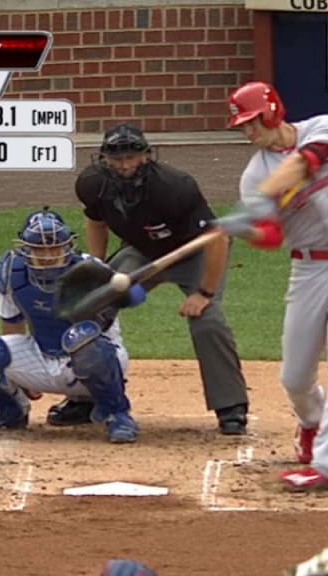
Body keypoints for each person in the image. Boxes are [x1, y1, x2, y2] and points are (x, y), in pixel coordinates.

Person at [214, 81, 328, 490]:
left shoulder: (322, 127)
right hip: (309, 271)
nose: (248, 133)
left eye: (252, 122)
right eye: (243, 126)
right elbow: (272, 239)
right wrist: (248, 227)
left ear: (272, 111)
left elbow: (305, 163)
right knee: (294, 377)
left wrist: (259, 199)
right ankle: (312, 422)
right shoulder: (254, 175)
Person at [59, 123, 251, 436]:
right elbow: (96, 223)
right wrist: (98, 266)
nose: (124, 165)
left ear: (146, 156)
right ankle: (85, 395)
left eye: (132, 157)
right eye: (117, 158)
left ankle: (231, 407)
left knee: (208, 320)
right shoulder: (93, 184)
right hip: (144, 252)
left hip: (196, 253)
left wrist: (203, 292)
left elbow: (216, 238)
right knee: (92, 305)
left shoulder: (174, 186)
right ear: (104, 158)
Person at [0, 208, 146, 443]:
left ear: (68, 247)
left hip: (97, 361)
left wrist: (128, 290)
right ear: (26, 249)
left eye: (54, 247)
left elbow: (136, 297)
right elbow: (12, 323)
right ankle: (9, 411)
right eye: (40, 248)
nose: (48, 254)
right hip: (42, 357)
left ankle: (116, 413)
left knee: (81, 339)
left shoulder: (89, 270)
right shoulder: (12, 273)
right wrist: (19, 379)